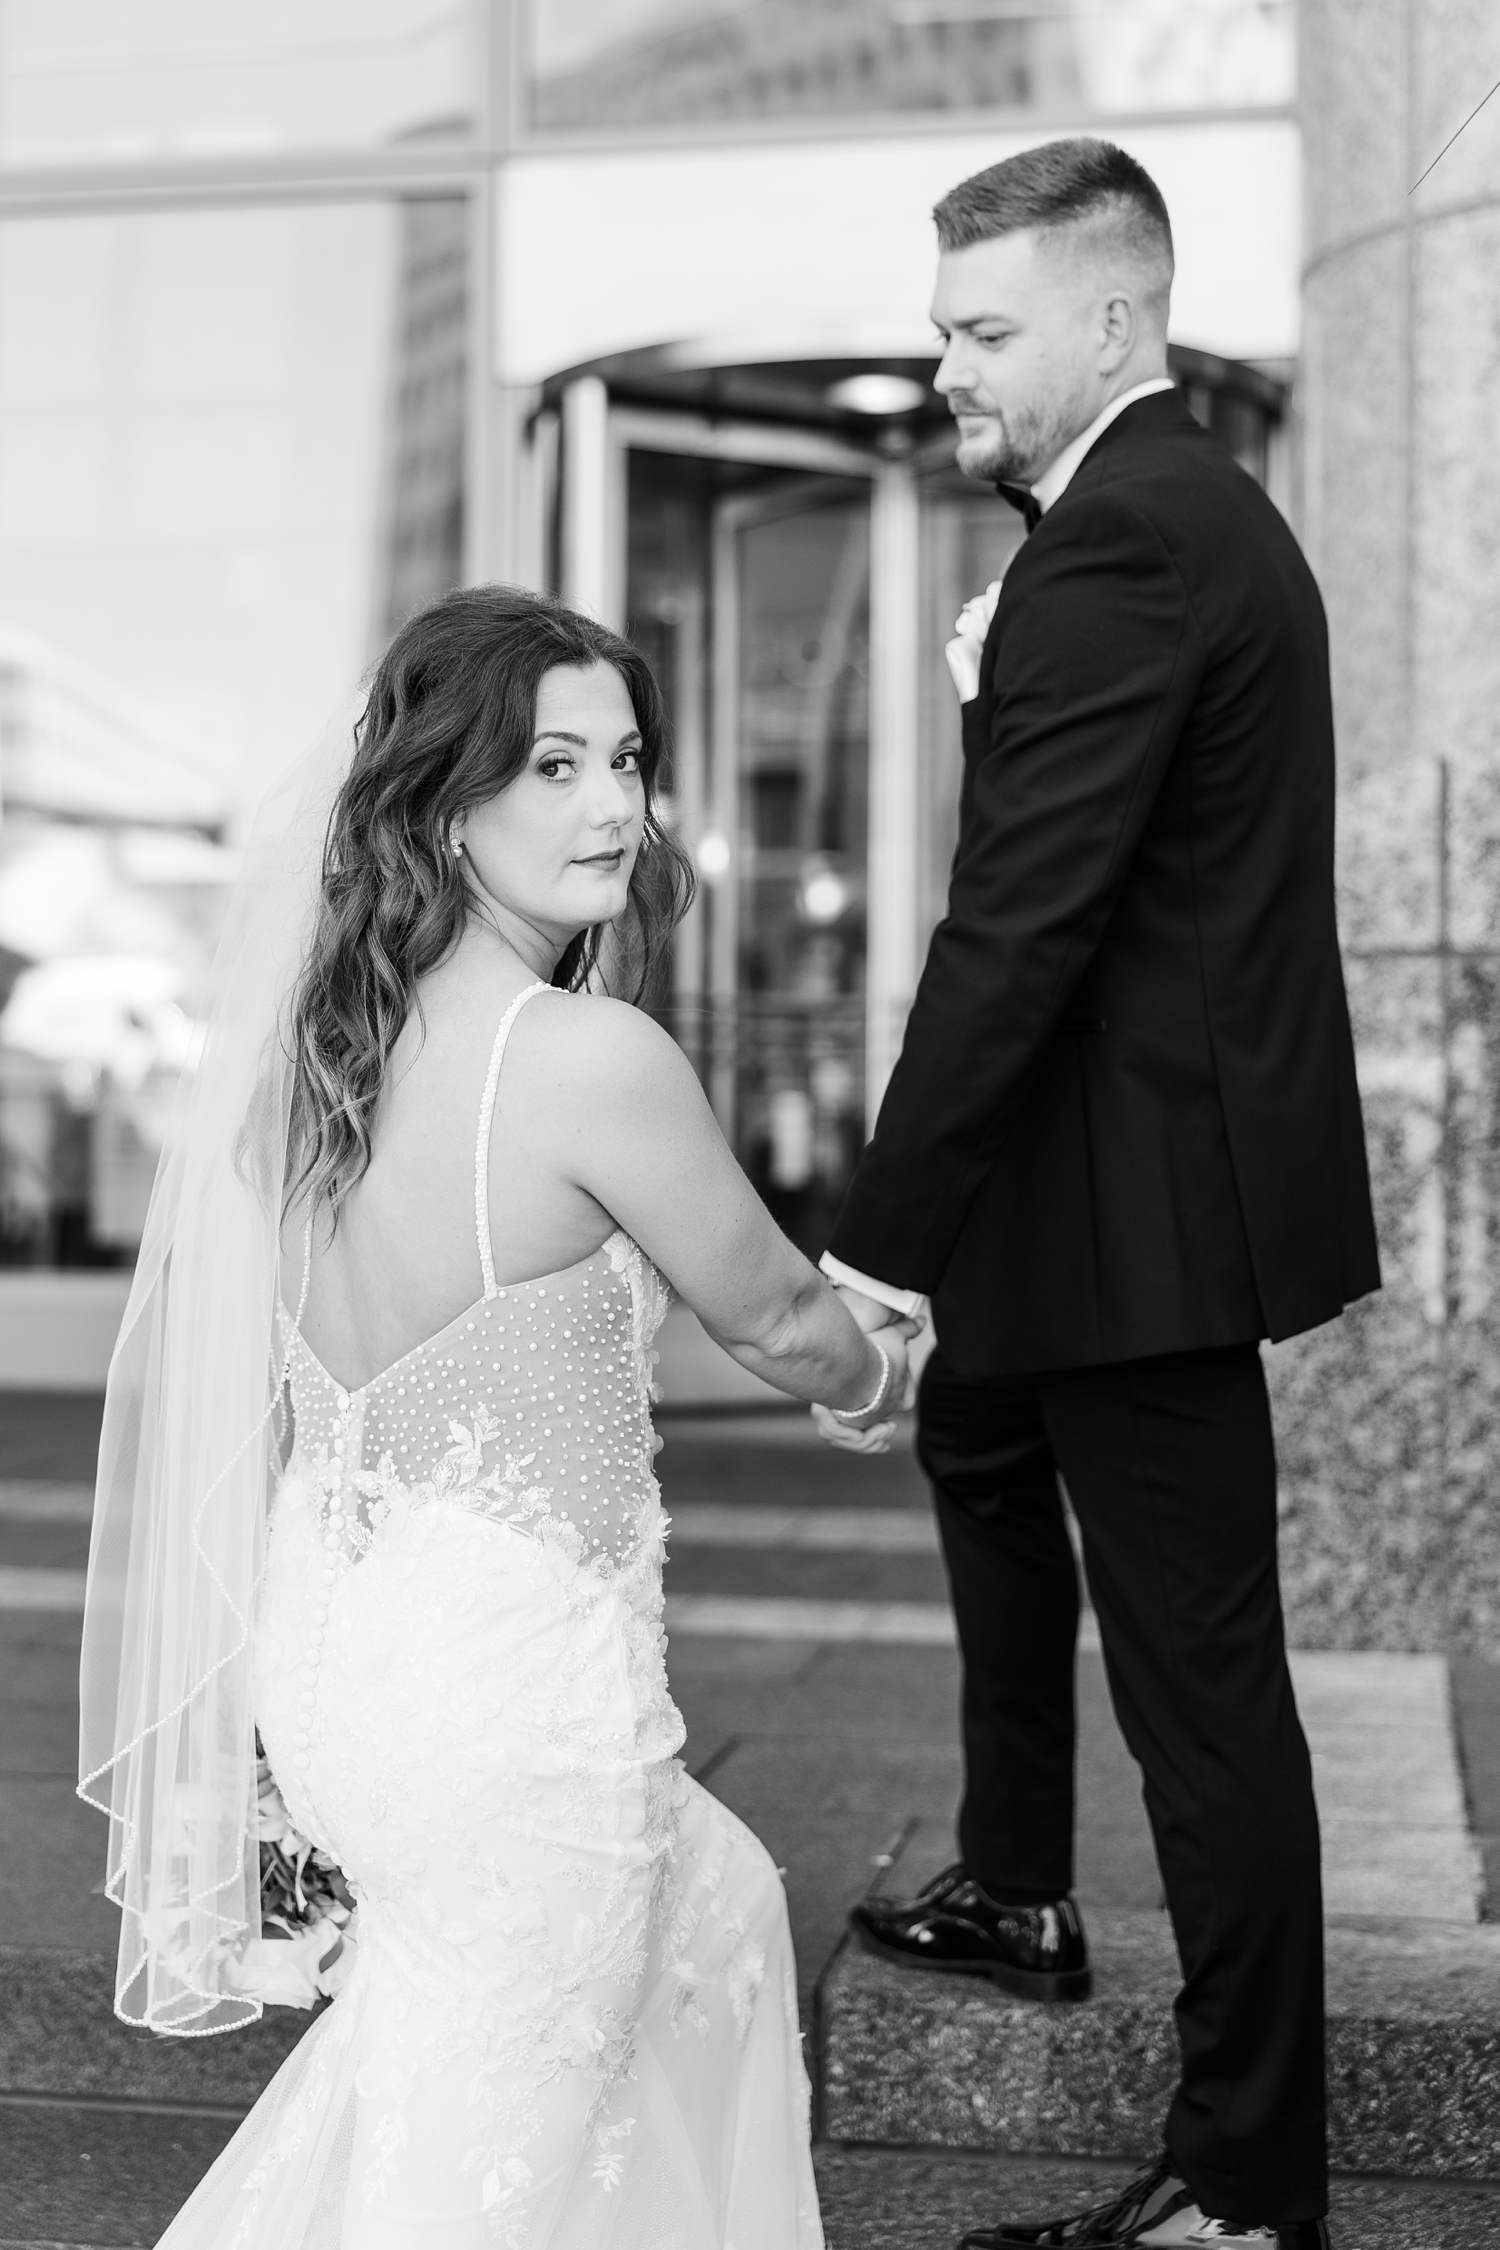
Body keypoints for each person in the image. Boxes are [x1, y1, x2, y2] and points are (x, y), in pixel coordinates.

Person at [78, 587, 919, 2248]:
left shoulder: (314, 1059)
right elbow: (773, 1316)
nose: (614, 803)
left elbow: (347, 1380)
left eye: (626, 758)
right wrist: (885, 1374)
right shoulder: (587, 1054)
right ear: (445, 801)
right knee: (479, 2151)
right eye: (552, 764)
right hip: (509, 1706)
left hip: (341, 1665)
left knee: (717, 1911)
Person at [817, 139, 1379, 2250]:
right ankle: (1021, 1873)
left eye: (982, 332)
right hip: (1103, 1204)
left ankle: (1243, 2194)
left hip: (1139, 1226)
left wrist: (871, 1254)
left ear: (1115, 319)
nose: (945, 365)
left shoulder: (1124, 546)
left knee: (1208, 1702)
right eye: (942, 327)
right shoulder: (1150, 523)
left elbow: (1020, 932)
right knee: (978, 1437)